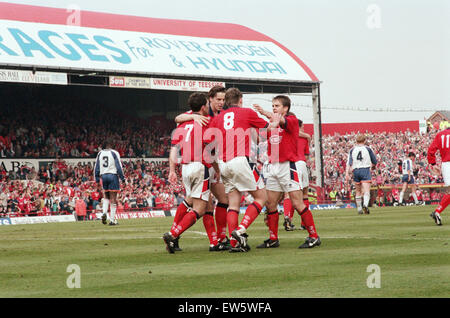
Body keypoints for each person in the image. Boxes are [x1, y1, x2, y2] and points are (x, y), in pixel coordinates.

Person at [209, 88, 281, 252]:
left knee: (233, 203)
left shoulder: (219, 117)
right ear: (240, 100)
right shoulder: (246, 112)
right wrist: (275, 122)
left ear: (226, 102)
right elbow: (266, 129)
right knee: (261, 197)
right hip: (241, 160)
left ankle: (235, 244)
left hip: (223, 163)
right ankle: (240, 230)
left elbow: (209, 143)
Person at [254, 97, 320, 249]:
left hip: (287, 167)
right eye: (272, 106)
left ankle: (314, 236)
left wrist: (266, 113)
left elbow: (281, 121)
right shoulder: (274, 124)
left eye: (277, 106)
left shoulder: (292, 121)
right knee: (271, 204)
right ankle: (273, 238)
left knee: (297, 203)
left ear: (285, 108)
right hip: (272, 167)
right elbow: (261, 138)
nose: (274, 108)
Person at [171, 86, 231, 251]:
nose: (221, 102)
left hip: (210, 161)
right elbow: (179, 117)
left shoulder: (219, 115)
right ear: (209, 100)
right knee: (201, 203)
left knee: (221, 200)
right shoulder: (203, 114)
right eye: (218, 99)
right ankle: (176, 234)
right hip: (205, 162)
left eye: (223, 99)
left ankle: (219, 238)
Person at [163, 92, 220, 253]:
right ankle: (173, 234)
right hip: (200, 166)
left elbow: (173, 148)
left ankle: (213, 242)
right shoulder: (206, 122)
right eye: (207, 104)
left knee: (194, 200)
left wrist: (172, 170)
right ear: (203, 107)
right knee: (200, 208)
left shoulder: (183, 124)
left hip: (185, 167)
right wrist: (217, 169)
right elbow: (210, 151)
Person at [94, 141, 126, 226]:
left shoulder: (100, 153)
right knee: (113, 198)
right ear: (110, 145)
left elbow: (96, 167)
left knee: (106, 196)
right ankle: (112, 220)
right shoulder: (114, 153)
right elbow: (119, 166)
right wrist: (123, 178)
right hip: (113, 175)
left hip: (103, 176)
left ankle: (104, 213)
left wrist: (97, 179)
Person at [345, 134, 377, 215]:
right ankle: (365, 205)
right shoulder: (368, 149)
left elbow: (349, 163)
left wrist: (347, 174)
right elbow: (374, 161)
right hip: (365, 169)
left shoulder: (352, 150)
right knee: (366, 191)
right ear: (364, 140)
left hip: (356, 170)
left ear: (356, 141)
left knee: (358, 191)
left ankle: (359, 208)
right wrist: (373, 167)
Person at [427, 126, 450, 225]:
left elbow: (431, 150)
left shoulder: (440, 134)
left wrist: (433, 164)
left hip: (445, 164)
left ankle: (437, 212)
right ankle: (437, 212)